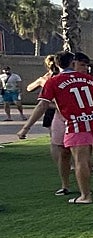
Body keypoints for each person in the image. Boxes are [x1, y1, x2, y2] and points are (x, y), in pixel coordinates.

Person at [17, 52, 93, 203]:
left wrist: (26, 127)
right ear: (72, 63)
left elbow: (43, 104)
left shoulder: (53, 81)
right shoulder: (89, 79)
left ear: (56, 64)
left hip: (76, 122)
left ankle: (85, 195)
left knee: (80, 160)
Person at [25, 55, 74, 194]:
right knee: (61, 143)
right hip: (57, 111)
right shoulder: (54, 79)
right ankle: (69, 166)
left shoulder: (47, 78)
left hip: (53, 110)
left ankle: (64, 167)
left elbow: (29, 88)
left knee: (56, 143)